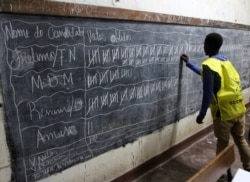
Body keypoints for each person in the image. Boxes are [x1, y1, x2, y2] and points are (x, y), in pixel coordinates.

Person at [180, 32, 250, 171]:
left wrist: (201, 115)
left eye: (205, 44)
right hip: (239, 109)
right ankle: (248, 167)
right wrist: (189, 64)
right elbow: (208, 76)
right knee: (241, 140)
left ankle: (221, 173)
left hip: (223, 114)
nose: (203, 47)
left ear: (211, 46)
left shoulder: (209, 65)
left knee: (222, 146)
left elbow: (207, 94)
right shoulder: (225, 61)